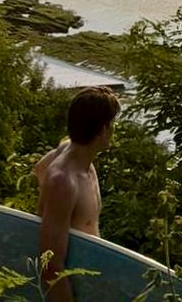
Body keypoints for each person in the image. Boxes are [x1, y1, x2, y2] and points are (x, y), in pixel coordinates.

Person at [35, 86, 121, 302]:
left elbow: (39, 168)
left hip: (88, 278)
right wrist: (53, 200)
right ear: (103, 129)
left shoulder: (68, 150)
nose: (113, 129)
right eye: (112, 124)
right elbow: (50, 268)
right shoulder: (64, 182)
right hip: (71, 289)